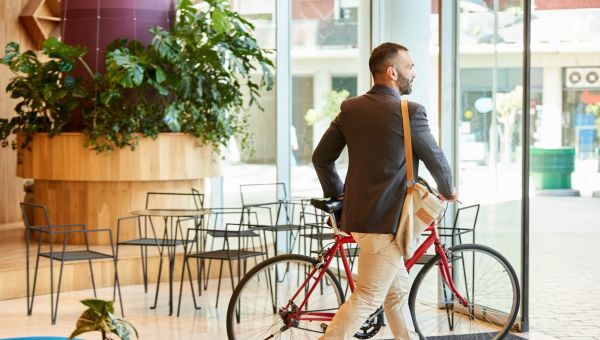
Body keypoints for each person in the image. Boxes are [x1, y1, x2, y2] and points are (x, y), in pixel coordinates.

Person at [312, 42, 458, 340]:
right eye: (409, 67)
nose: (413, 73)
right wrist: (449, 190)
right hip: (388, 223)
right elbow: (435, 158)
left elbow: (321, 157)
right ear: (392, 72)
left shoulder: (350, 109)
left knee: (396, 293)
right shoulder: (410, 112)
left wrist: (339, 193)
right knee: (367, 297)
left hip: (358, 217)